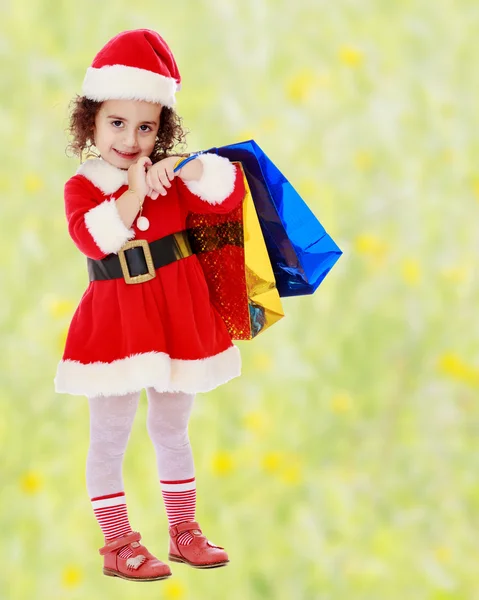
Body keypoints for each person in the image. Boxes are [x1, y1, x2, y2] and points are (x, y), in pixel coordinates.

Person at [53, 29, 246, 582]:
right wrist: (135, 188)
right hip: (115, 327)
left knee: (171, 428)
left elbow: (227, 192)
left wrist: (190, 166)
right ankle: (118, 542)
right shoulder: (84, 185)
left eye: (147, 127)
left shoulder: (172, 175)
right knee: (110, 435)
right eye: (117, 123)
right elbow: (95, 239)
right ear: (90, 120)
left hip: (175, 320)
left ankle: (184, 531)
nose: (131, 138)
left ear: (162, 128)